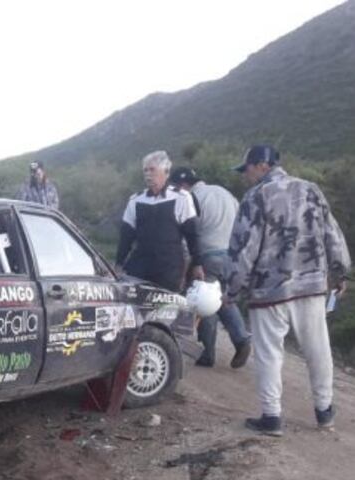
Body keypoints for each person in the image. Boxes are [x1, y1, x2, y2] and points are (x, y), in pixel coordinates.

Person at [226, 144, 351, 437]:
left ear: (261, 165)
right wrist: (339, 270)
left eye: (246, 169)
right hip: (310, 286)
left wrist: (231, 288)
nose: (245, 176)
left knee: (270, 354)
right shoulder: (311, 190)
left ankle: (272, 417)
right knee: (318, 349)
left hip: (270, 291)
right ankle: (324, 411)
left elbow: (244, 248)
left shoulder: (255, 197)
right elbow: (331, 231)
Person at [169, 166, 252, 369]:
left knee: (205, 303)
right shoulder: (225, 193)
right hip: (232, 255)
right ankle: (242, 338)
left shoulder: (192, 198)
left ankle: (207, 354)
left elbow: (192, 234)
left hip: (208, 255)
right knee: (223, 297)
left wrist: (187, 263)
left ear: (182, 185)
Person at [115, 151, 204, 292]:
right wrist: (118, 264)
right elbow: (126, 236)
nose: (148, 174)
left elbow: (192, 234)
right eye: (145, 170)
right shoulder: (136, 200)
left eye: (152, 170)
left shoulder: (181, 197)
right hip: (140, 268)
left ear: (166, 172)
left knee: (167, 310)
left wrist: (198, 264)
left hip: (169, 269)